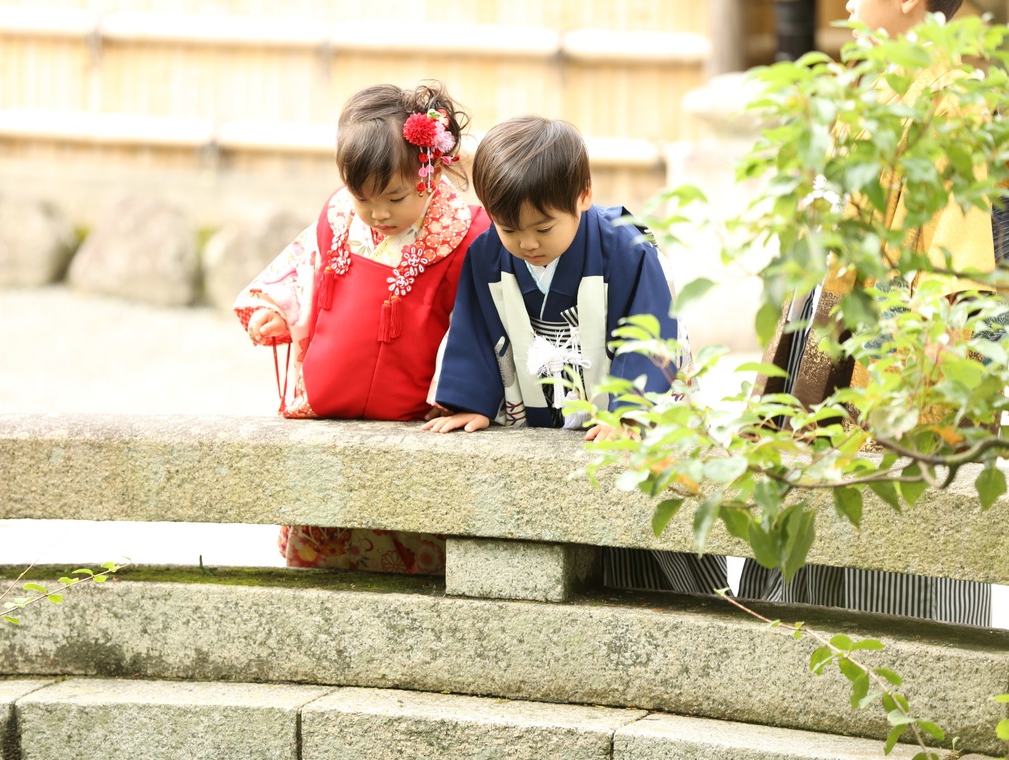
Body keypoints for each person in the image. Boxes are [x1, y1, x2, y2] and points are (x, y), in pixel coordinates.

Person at [738, 0, 994, 626]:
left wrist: (907, 388)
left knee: (886, 568)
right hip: (828, 326)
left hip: (893, 345)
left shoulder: (955, 100)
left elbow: (958, 268)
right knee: (799, 530)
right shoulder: (874, 85)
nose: (846, 3)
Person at [422, 115, 725, 595]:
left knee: (655, 559)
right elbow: (475, 329)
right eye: (508, 228)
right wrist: (471, 401)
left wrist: (630, 411)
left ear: (583, 195)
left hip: (624, 417)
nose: (527, 244)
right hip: (543, 415)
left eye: (543, 227)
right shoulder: (486, 255)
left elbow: (649, 330)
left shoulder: (625, 245)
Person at [233, 81, 490, 574]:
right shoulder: (338, 216)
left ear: (428, 169)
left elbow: (480, 324)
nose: (378, 213)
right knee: (324, 562)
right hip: (329, 414)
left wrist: (472, 396)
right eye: (363, 197)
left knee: (413, 559)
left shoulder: (464, 231)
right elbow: (307, 274)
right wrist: (282, 312)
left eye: (394, 196)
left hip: (417, 421)